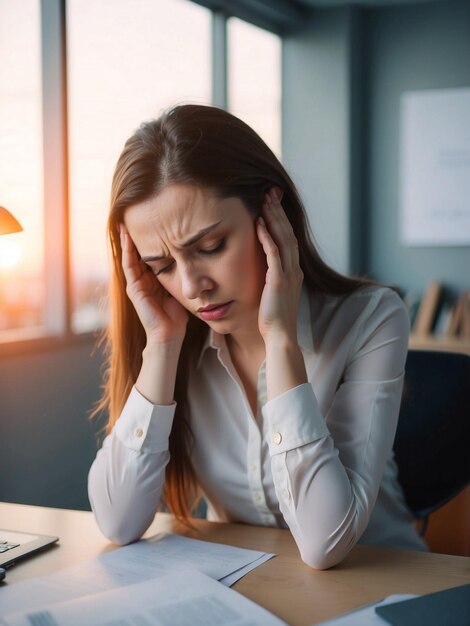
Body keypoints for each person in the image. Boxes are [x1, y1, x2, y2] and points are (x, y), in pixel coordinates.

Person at [88, 104, 427, 570]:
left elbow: (325, 543)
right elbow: (117, 522)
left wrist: (281, 340)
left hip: (387, 586)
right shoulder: (177, 339)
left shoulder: (370, 318)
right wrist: (162, 347)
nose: (191, 287)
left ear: (272, 217)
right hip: (255, 596)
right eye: (161, 266)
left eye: (210, 248)